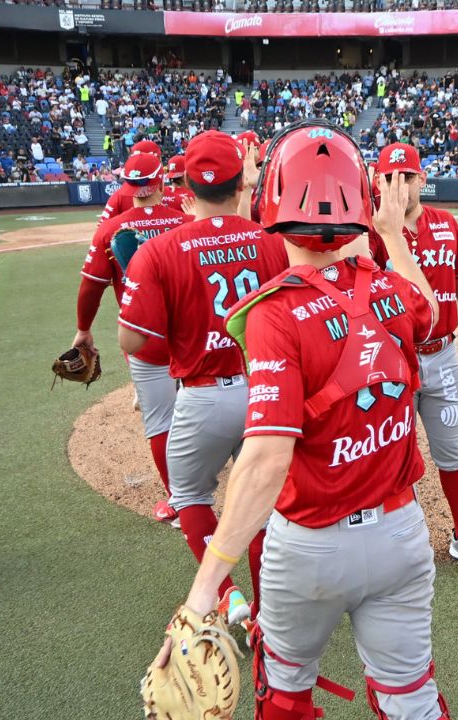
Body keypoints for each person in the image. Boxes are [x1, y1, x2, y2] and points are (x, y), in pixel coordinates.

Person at [148, 123, 451, 719]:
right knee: (411, 698)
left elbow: (264, 458)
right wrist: (390, 235)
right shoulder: (390, 286)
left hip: (310, 544)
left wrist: (204, 590)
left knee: (284, 693)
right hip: (400, 534)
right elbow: (431, 309)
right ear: (361, 201)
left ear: (271, 203)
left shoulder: (274, 313)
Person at [117, 131, 289, 626]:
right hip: (266, 389)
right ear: (241, 186)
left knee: (190, 496)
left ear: (184, 188)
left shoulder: (158, 250)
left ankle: (227, 592)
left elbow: (133, 341)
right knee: (258, 499)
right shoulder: (271, 241)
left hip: (204, 394)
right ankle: (264, 609)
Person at [367, 142, 458, 578]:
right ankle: (410, 536)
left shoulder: (445, 224)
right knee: (395, 455)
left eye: (407, 176)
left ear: (423, 179)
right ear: (378, 182)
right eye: (390, 177)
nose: (400, 185)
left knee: (452, 454)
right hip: (393, 361)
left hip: (441, 355)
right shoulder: (372, 232)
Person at [73, 153, 188, 525]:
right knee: (202, 404)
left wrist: (83, 328)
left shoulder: (113, 229)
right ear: (159, 182)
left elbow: (91, 287)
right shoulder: (186, 221)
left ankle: (179, 498)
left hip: (147, 337)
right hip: (192, 332)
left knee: (160, 420)